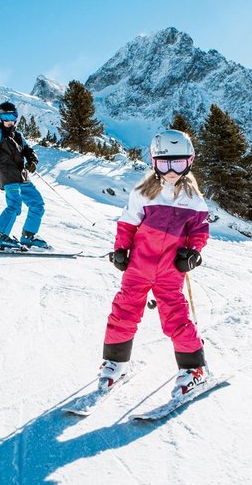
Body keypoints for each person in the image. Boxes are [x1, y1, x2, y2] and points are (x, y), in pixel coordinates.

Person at [99, 129, 212, 399]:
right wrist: (121, 250)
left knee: (175, 318)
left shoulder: (194, 199)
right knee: (123, 312)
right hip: (139, 265)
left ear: (190, 162)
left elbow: (200, 231)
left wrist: (192, 253)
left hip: (170, 269)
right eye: (164, 164)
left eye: (178, 164)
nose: (171, 171)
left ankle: (193, 368)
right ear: (154, 162)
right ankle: (116, 362)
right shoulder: (144, 192)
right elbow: (128, 222)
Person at [0, 102, 47, 248]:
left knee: (37, 204)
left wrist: (33, 161)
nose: (10, 121)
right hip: (8, 176)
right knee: (15, 205)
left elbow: (29, 151)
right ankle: (0, 235)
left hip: (22, 176)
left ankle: (28, 236)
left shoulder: (18, 135)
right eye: (6, 117)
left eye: (13, 117)